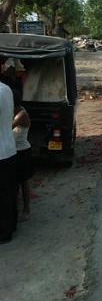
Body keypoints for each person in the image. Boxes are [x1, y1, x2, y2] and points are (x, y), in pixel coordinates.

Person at [0, 79, 17, 243]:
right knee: (10, 191)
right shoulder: (6, 89)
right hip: (10, 148)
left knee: (3, 195)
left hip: (1, 153)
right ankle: (12, 225)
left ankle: (4, 232)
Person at [12, 91, 32, 220]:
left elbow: (8, 128)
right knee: (13, 182)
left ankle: (26, 209)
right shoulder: (15, 112)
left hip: (22, 152)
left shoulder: (21, 115)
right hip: (13, 151)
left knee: (23, 182)